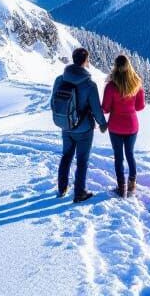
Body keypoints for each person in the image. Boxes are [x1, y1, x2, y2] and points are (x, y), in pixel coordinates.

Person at [51, 47, 107, 203]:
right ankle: (79, 192)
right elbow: (96, 108)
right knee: (82, 160)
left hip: (66, 126)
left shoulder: (60, 79)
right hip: (84, 130)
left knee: (66, 156)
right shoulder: (89, 85)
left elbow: (53, 103)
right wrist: (102, 124)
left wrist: (65, 118)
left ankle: (62, 188)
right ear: (85, 61)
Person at [101, 54, 145, 197]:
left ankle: (121, 187)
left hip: (115, 126)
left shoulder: (111, 86)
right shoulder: (136, 83)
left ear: (115, 67)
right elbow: (140, 106)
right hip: (132, 125)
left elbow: (105, 109)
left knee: (118, 157)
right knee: (130, 154)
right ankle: (132, 183)